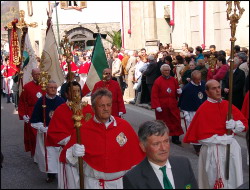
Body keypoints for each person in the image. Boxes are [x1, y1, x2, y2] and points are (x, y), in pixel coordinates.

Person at [59, 88, 145, 188]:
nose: (106, 108)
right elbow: (64, 156)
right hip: (93, 184)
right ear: (93, 108)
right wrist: (72, 152)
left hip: (119, 184)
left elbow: (137, 156)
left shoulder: (124, 126)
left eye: (108, 105)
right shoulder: (82, 130)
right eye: (101, 105)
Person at [183, 79, 248, 189]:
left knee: (233, 177)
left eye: (219, 87)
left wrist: (235, 125)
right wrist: (222, 139)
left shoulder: (227, 104)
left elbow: (244, 124)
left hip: (231, 149)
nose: (218, 91)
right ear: (207, 92)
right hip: (212, 150)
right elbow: (201, 138)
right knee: (213, 180)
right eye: (214, 88)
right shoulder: (203, 109)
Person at [123, 120, 198, 189]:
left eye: (166, 141)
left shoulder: (184, 164)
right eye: (156, 144)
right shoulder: (132, 178)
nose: (163, 148)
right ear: (143, 147)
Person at [46, 81, 94, 188]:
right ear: (67, 95)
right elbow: (54, 133)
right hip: (68, 154)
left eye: (78, 91)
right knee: (71, 184)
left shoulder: (88, 108)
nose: (77, 94)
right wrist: (73, 141)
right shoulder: (60, 110)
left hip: (87, 153)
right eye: (73, 92)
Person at [30, 80, 65, 182]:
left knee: (59, 153)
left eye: (55, 87)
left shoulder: (61, 101)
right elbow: (35, 118)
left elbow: (65, 117)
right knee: (49, 155)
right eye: (51, 87)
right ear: (46, 89)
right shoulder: (41, 101)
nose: (53, 89)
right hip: (45, 132)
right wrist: (41, 127)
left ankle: (61, 173)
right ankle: (51, 174)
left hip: (58, 132)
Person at [151, 64, 183, 144]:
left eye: (168, 70)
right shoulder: (158, 81)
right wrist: (157, 105)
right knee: (163, 122)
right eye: (165, 70)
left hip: (172, 104)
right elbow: (154, 95)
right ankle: (163, 137)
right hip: (162, 105)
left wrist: (179, 92)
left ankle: (176, 137)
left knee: (175, 120)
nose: (167, 72)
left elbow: (177, 91)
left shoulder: (173, 80)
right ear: (162, 71)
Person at [179, 70, 207, 155]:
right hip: (192, 113)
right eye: (196, 80)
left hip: (202, 112)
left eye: (199, 79)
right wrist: (186, 114)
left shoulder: (204, 84)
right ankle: (197, 149)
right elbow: (183, 102)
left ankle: (203, 145)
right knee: (195, 131)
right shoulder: (187, 88)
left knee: (203, 130)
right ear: (192, 79)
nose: (199, 81)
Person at [18, 68, 43, 157]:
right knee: (33, 135)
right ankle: (34, 153)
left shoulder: (45, 86)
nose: (37, 76)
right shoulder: (27, 87)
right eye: (36, 74)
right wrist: (23, 114)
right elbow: (22, 102)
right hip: (31, 112)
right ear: (32, 75)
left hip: (42, 112)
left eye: (39, 74)